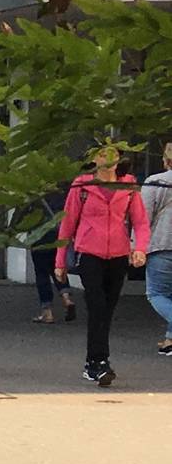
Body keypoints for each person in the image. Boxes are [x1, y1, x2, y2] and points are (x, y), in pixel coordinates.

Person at [56, 149, 151, 387]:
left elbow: (140, 222)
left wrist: (140, 248)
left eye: (112, 154)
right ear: (94, 159)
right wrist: (60, 261)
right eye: (102, 155)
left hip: (118, 255)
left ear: (118, 159)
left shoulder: (128, 186)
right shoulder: (82, 186)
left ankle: (92, 362)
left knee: (107, 310)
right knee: (97, 305)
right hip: (89, 253)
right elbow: (68, 223)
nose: (107, 160)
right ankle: (101, 362)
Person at [24, 187, 74, 325]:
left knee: (41, 273)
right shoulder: (60, 190)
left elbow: (25, 215)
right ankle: (66, 297)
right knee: (57, 267)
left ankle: (47, 312)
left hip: (39, 234)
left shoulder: (32, 191)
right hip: (57, 232)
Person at [144, 157, 172, 357]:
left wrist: (136, 246)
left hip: (162, 243)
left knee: (156, 294)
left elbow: (143, 217)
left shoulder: (155, 182)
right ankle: (169, 340)